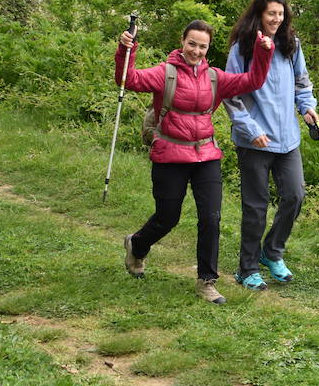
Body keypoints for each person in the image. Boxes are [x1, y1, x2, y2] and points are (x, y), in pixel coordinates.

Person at [117, 19, 273, 305]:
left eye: (203, 46)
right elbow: (129, 79)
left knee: (211, 218)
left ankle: (207, 281)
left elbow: (253, 81)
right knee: (168, 217)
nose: (197, 51)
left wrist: (265, 52)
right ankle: (137, 244)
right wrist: (127, 48)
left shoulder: (215, 77)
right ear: (182, 41)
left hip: (206, 156)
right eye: (192, 44)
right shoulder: (165, 73)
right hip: (170, 154)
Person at [224, 0, 319, 291]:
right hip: (255, 141)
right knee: (256, 206)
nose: (276, 19)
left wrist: (307, 108)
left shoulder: (290, 45)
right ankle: (247, 268)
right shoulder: (242, 48)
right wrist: (251, 129)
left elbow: (302, 82)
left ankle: (271, 252)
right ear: (259, 15)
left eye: (280, 14)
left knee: (295, 195)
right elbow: (231, 93)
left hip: (287, 139)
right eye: (271, 14)